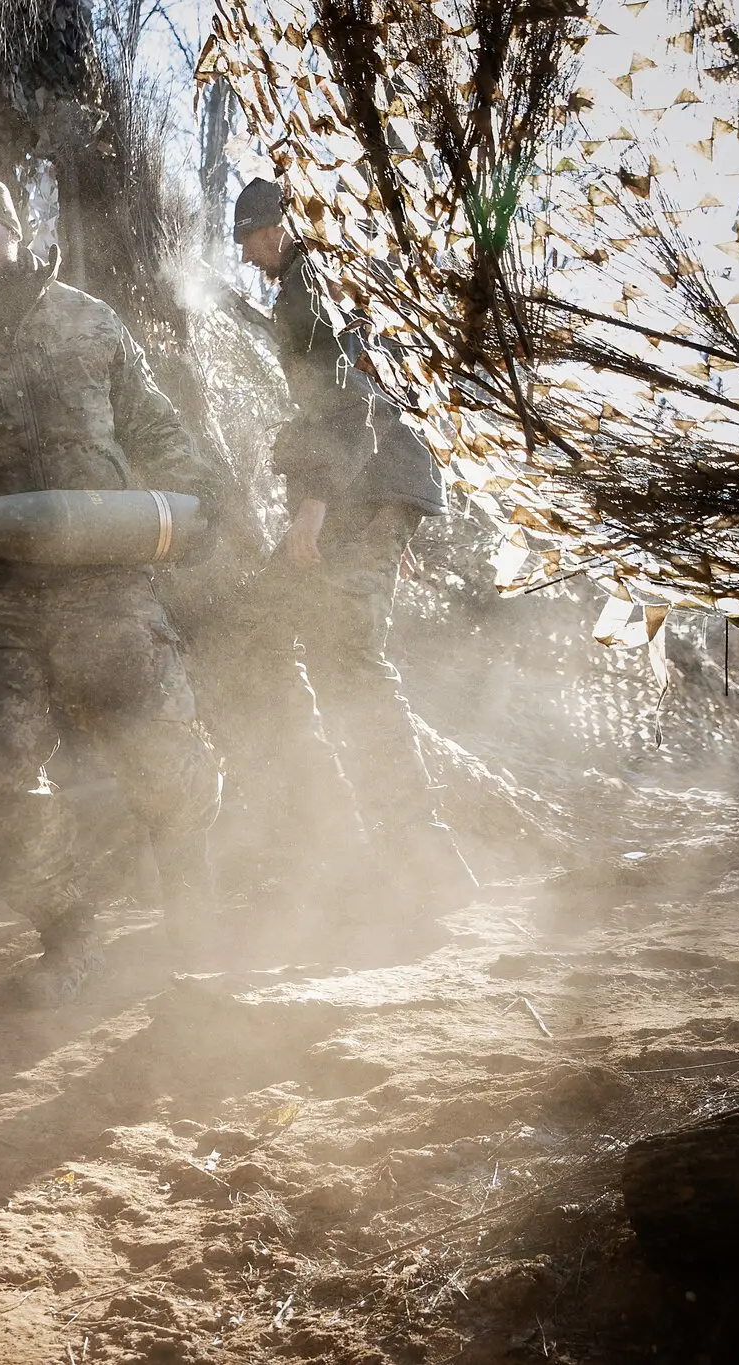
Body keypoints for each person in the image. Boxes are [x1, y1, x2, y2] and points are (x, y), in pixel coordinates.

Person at [0, 174, 230, 1004]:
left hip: (107, 583)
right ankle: (68, 938)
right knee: (3, 773)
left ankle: (194, 914)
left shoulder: (89, 320)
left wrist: (199, 498)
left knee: (164, 752)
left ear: (11, 232)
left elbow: (153, 426)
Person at [223, 177, 470, 900]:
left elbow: (349, 401)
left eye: (251, 238)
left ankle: (420, 866)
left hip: (359, 494)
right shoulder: (332, 277)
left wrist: (316, 504)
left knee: (347, 664)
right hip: (375, 494)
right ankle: (339, 836)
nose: (247, 256)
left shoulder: (309, 286)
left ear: (281, 227)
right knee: (269, 629)